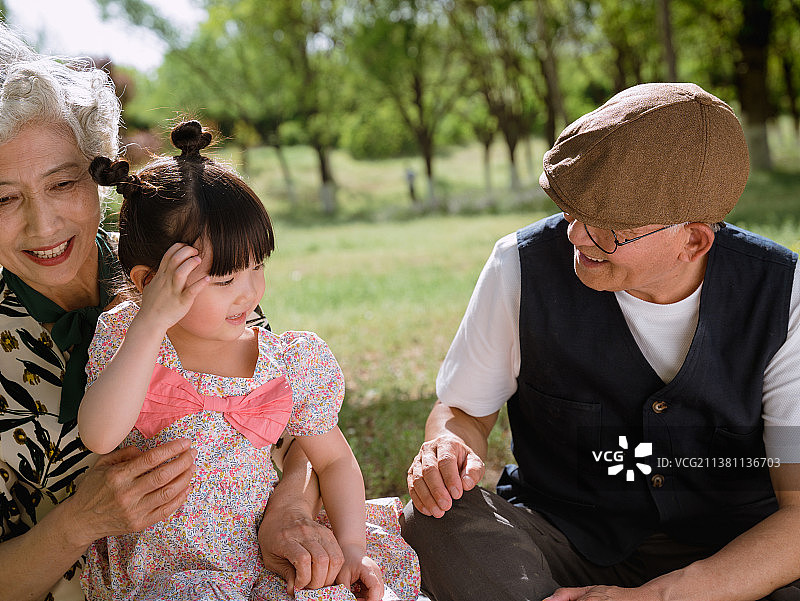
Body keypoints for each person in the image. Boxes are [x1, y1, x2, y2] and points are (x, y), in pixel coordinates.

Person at [402, 82, 800, 601]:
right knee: (438, 516)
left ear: (694, 239)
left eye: (610, 228)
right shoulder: (519, 265)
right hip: (564, 539)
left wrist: (657, 598)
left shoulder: (783, 295)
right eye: (574, 209)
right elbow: (463, 411)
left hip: (730, 556)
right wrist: (448, 445)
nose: (577, 236)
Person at [0, 25, 354, 601]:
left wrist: (291, 502)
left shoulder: (189, 262)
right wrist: (76, 525)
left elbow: (294, 424)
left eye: (64, 182)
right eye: (4, 197)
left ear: (100, 174)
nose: (45, 226)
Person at [77, 120, 419, 601]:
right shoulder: (131, 343)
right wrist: (149, 324)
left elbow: (336, 461)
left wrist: (350, 546)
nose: (249, 292)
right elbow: (99, 434)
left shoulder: (284, 362)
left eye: (257, 266)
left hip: (262, 558)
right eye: (222, 281)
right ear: (148, 281)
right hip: (168, 573)